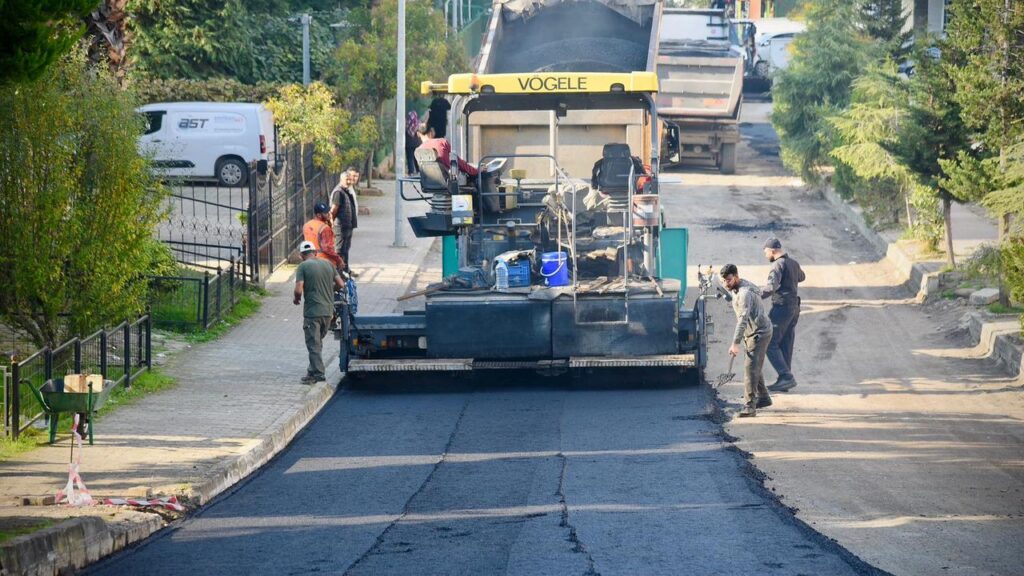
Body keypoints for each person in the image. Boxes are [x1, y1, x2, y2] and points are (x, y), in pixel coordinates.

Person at [721, 263, 773, 417]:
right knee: (753, 364)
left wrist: (735, 343)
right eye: (724, 281)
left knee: (749, 368)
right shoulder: (738, 288)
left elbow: (742, 319)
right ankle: (763, 397)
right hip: (752, 332)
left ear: (736, 276)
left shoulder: (744, 293)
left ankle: (749, 407)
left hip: (759, 332)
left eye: (729, 280)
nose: (726, 284)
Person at [294, 241, 344, 384]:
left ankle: (318, 374)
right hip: (328, 312)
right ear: (315, 252)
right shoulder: (328, 264)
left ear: (302, 255)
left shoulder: (303, 266)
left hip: (313, 312)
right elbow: (341, 284)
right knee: (317, 342)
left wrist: (296, 299)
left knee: (313, 343)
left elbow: (298, 289)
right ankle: (312, 369)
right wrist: (330, 290)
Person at [760, 237, 806, 392]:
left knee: (769, 341)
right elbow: (802, 277)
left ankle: (786, 376)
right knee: (786, 342)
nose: (766, 255)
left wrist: (754, 295)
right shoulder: (793, 263)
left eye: (766, 252)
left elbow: (771, 287)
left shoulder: (777, 265)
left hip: (782, 308)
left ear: (773, 250)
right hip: (794, 308)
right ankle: (784, 380)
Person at [330, 172, 358, 277]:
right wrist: (331, 222)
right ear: (341, 179)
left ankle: (345, 270)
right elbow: (334, 209)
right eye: (347, 180)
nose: (349, 182)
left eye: (350, 180)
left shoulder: (346, 191)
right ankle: (338, 272)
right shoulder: (338, 192)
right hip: (340, 226)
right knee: (340, 249)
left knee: (346, 249)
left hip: (348, 226)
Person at [303, 202, 344, 272]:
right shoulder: (325, 228)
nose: (328, 214)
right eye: (325, 213)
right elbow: (328, 249)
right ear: (319, 215)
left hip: (309, 261)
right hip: (324, 263)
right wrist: (339, 260)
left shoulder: (306, 225)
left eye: (328, 212)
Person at [405, 110, 422, 175]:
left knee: (410, 158)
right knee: (416, 158)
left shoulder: (407, 124)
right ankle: (418, 171)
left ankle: (411, 172)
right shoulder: (417, 123)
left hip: (409, 144)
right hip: (417, 144)